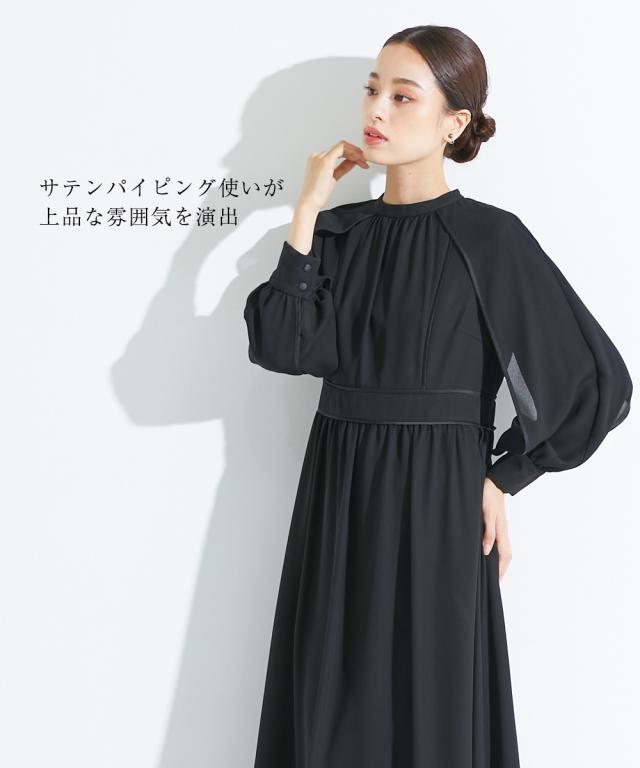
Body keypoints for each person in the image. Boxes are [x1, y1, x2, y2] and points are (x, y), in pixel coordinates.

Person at [243, 24, 633, 768]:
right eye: (372, 90)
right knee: (330, 696)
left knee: (432, 701)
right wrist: (306, 211)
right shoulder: (339, 233)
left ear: (454, 122)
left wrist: (504, 476)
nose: (376, 110)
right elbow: (283, 349)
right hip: (339, 490)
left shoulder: (491, 239)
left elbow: (594, 383)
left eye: (402, 96)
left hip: (439, 500)